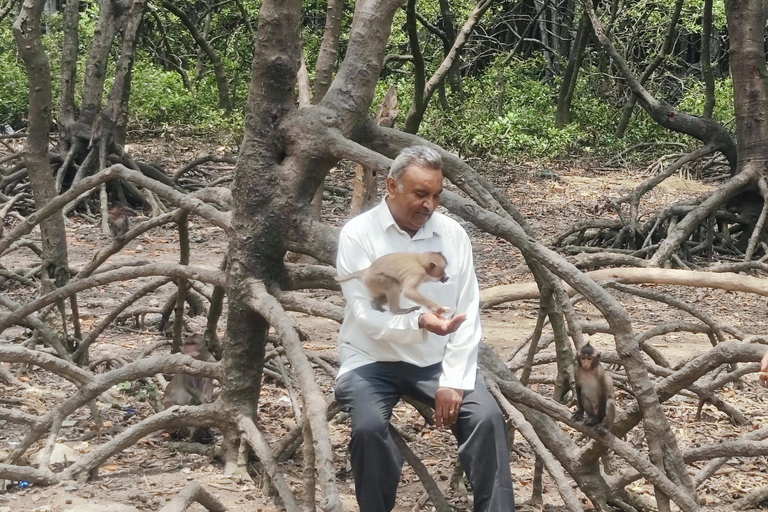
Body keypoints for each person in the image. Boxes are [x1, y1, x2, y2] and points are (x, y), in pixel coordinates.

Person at [335, 146, 516, 512]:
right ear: (392, 186)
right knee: (369, 430)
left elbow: (467, 312)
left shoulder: (452, 235)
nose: (429, 205)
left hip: (435, 361)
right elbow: (365, 315)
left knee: (487, 419)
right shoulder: (359, 234)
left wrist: (453, 380)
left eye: (436, 195)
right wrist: (417, 319)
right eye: (420, 194)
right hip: (371, 357)